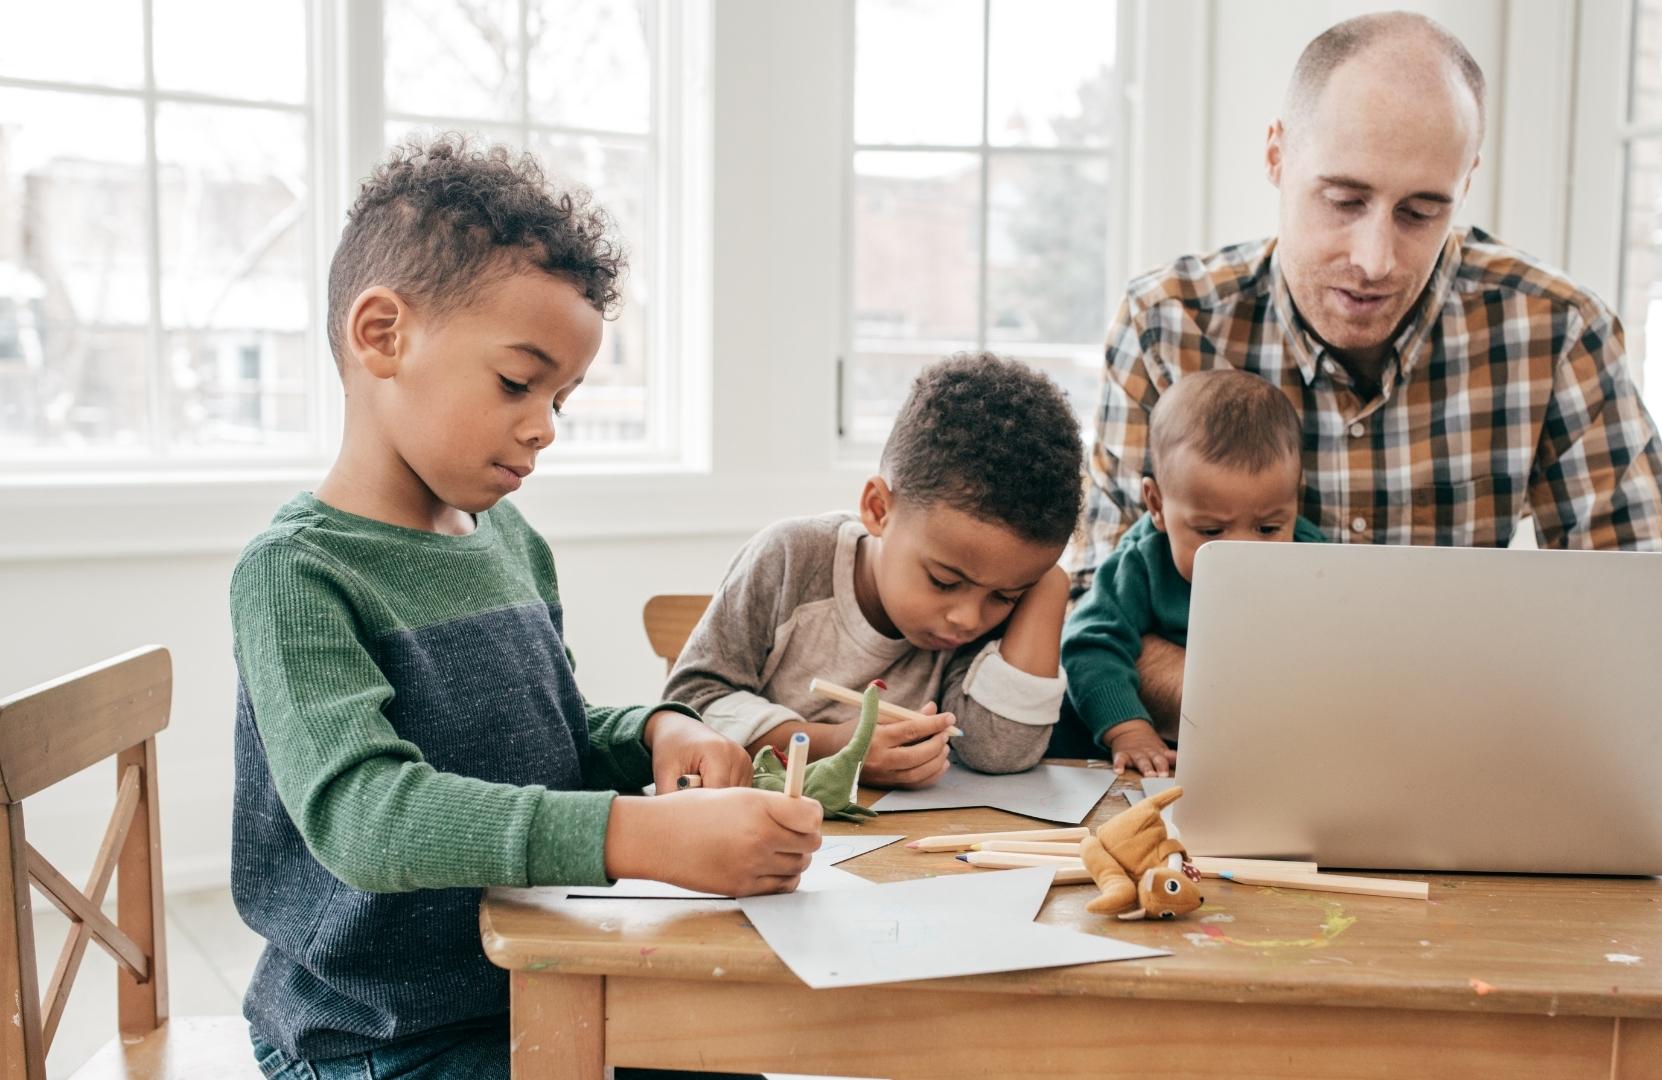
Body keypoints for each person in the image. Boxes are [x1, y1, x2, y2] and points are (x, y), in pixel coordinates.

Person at [230, 135, 818, 1079]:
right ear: (383, 335)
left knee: (734, 1058)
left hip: (540, 974)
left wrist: (660, 734)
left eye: (563, 396)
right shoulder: (298, 573)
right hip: (375, 1038)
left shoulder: (507, 542)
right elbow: (366, 815)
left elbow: (547, 734)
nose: (545, 424)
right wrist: (639, 836)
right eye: (517, 381)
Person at [1067, 12, 1662, 729]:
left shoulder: (1556, 332)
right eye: (1345, 200)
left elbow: (1656, 619)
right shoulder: (1165, 323)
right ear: (1276, 155)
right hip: (1214, 771)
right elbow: (1095, 607)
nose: (1376, 260)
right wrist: (1305, 710)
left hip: (1458, 759)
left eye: (1421, 212)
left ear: (1467, 182)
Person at [666, 352, 1082, 786]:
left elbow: (997, 749)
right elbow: (689, 705)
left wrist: (1049, 584)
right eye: (944, 581)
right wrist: (833, 746)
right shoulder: (792, 558)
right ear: (878, 509)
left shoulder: (990, 600)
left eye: (1005, 596)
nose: (968, 618)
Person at [1061, 370, 1326, 776]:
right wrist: (1128, 730)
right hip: (1161, 751)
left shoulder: (1316, 559)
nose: (1243, 552)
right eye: (1211, 531)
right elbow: (1089, 644)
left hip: (1277, 756)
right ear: (1157, 505)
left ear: (1295, 500)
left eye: (1269, 529)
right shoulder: (1141, 561)